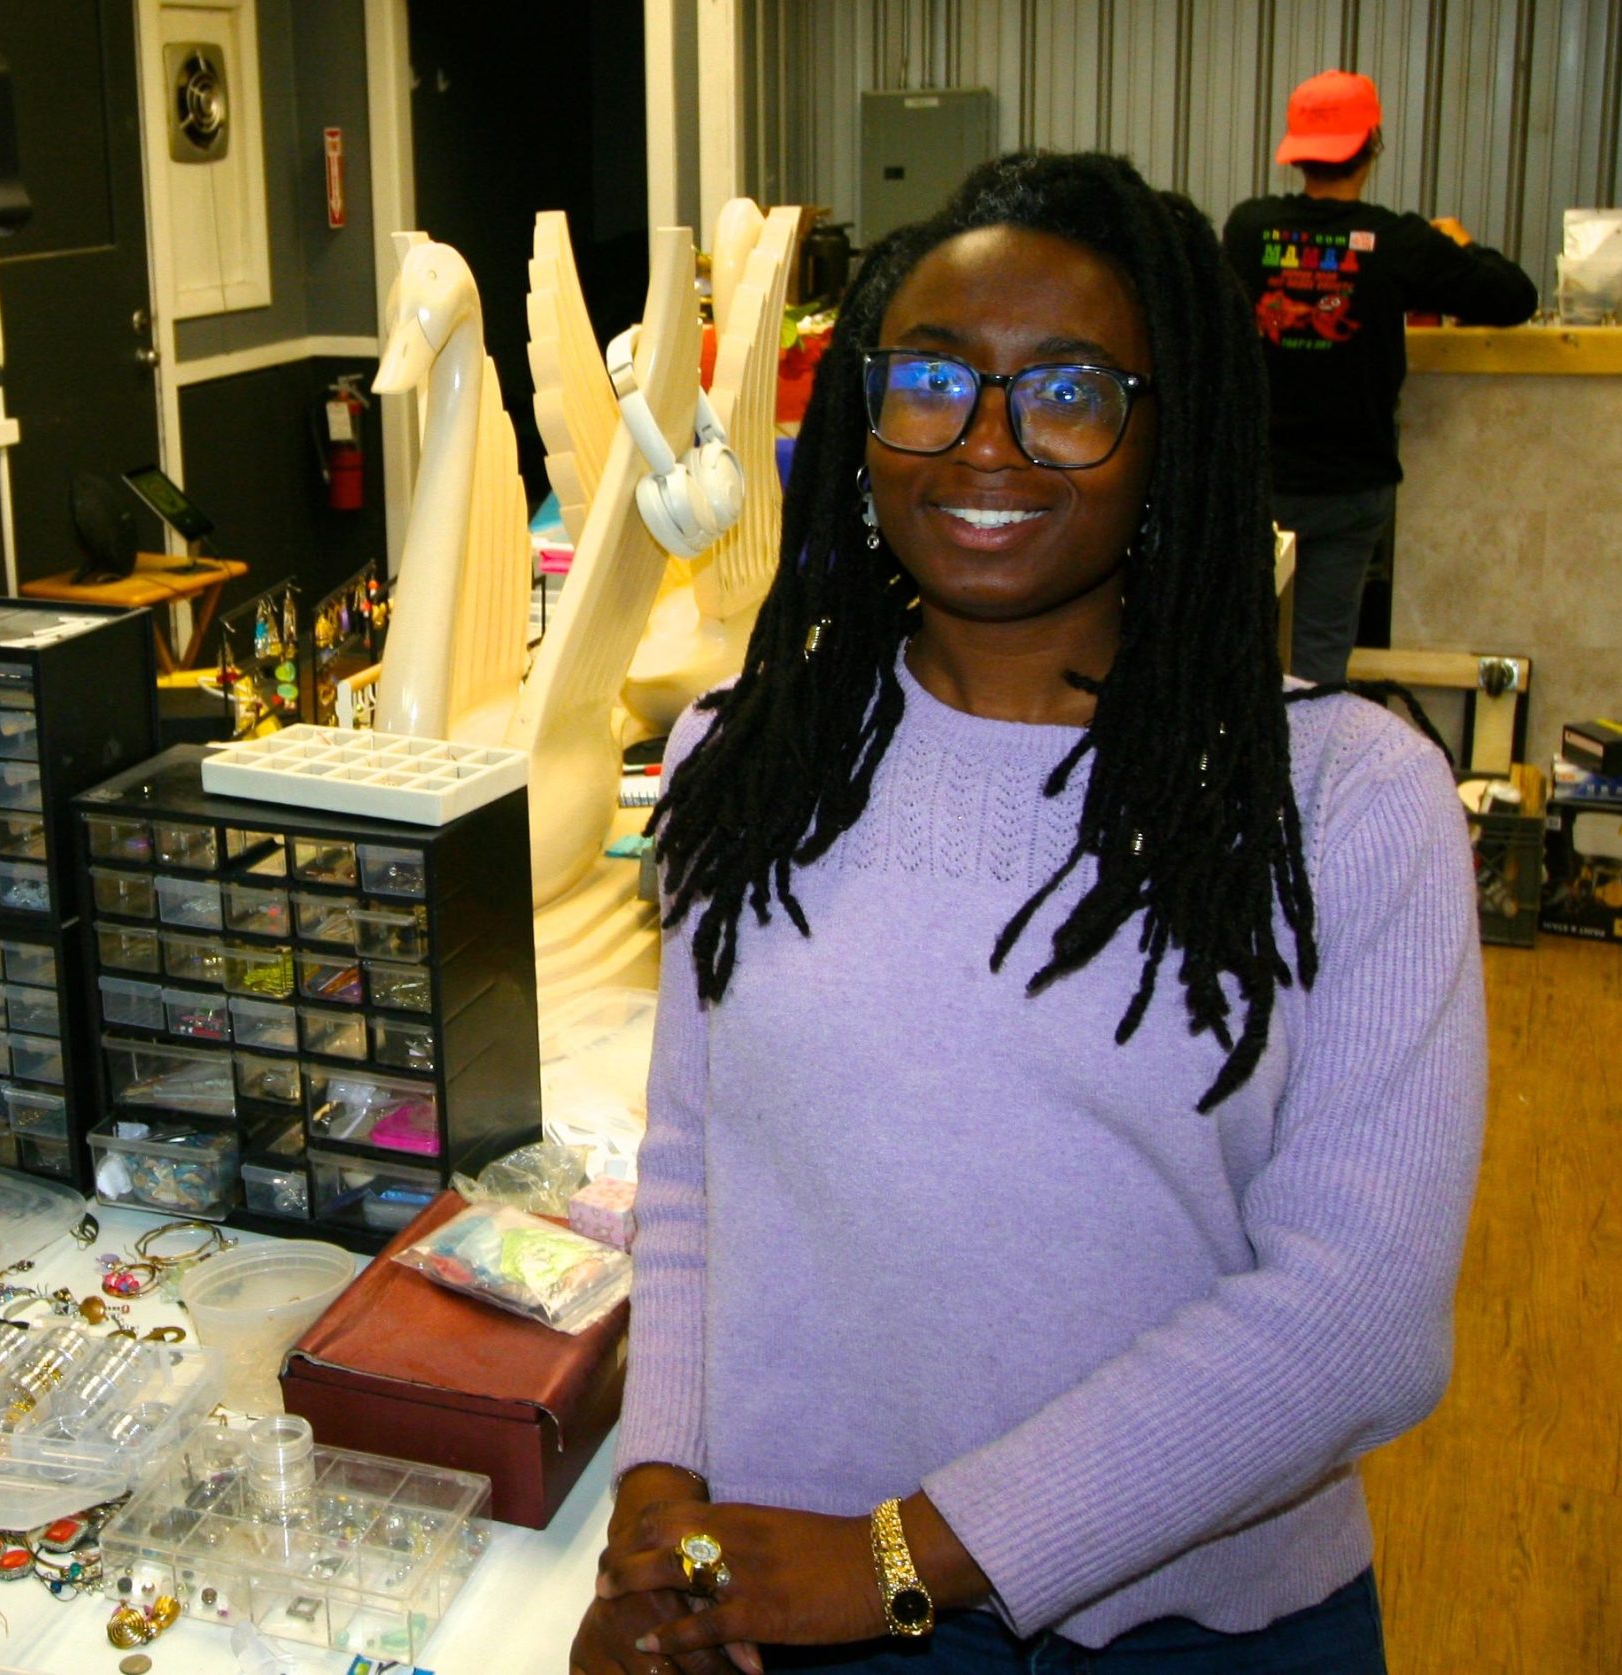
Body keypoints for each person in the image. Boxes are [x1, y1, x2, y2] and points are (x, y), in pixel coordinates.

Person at [574, 152, 1486, 1674]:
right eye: (931, 378)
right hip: (783, 1604)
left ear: (1169, 431)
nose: (984, 445)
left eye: (1068, 391)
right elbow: (694, 1172)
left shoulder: (1343, 801)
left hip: (1182, 1632)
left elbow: (1357, 1319)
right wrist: (663, 1514)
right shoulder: (751, 757)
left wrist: (895, 1559)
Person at [1220, 70, 1538, 686]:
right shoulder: (1397, 242)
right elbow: (1512, 296)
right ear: (1372, 146)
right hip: (1349, 485)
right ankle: (1313, 778)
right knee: (1320, 656)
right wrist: (1461, 243)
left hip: (1258, 484)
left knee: (1238, 650)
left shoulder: (1249, 229)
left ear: (1297, 152)